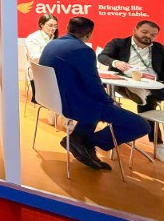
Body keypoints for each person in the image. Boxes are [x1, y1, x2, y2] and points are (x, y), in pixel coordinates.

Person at [39, 17, 150, 170]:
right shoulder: (83, 50)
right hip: (73, 103)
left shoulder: (52, 44)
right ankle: (87, 142)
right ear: (89, 34)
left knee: (94, 106)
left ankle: (78, 140)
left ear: (67, 28)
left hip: (54, 99)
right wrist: (110, 101)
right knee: (142, 126)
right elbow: (93, 84)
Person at [98, 20, 164, 161]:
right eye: (144, 32)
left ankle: (142, 95)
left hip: (152, 83)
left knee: (148, 96)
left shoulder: (159, 48)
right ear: (135, 30)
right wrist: (115, 62)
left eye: (153, 35)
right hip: (125, 82)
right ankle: (158, 145)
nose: (148, 36)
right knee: (148, 102)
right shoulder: (119, 43)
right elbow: (102, 56)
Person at [25, 14, 58, 125]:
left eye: (55, 26)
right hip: (38, 74)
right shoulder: (32, 38)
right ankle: (59, 113)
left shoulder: (53, 38)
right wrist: (54, 55)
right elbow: (34, 57)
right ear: (41, 25)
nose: (53, 28)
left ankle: (60, 114)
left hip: (52, 72)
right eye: (50, 25)